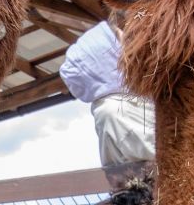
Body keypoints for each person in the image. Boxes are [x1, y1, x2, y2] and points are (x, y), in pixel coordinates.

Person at [57, 13, 155, 187]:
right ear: (105, 60)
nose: (131, 44)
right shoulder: (115, 110)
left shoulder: (135, 101)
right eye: (120, 41)